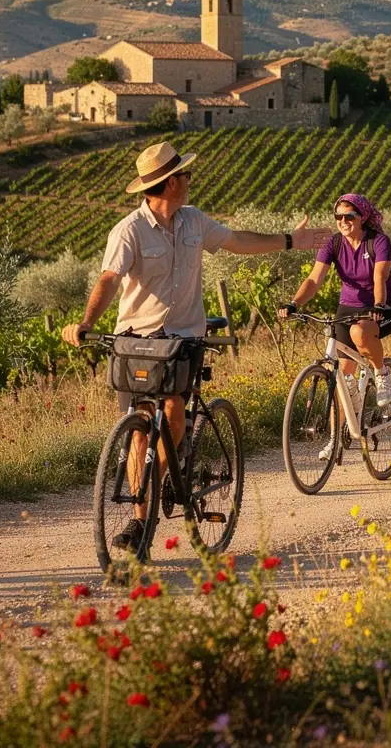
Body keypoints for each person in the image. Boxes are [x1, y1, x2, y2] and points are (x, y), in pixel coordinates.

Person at [62, 140, 330, 552]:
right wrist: (85, 322)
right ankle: (140, 518)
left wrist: (290, 240)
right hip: (137, 342)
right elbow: (109, 280)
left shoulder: (194, 221)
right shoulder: (128, 231)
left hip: (184, 340)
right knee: (138, 430)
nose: (190, 180)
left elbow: (238, 241)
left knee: (172, 414)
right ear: (171, 183)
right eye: (185, 175)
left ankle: (166, 471)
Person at [279, 194, 391, 458]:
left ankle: (381, 373)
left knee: (360, 333)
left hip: (384, 305)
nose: (343, 221)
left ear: (363, 218)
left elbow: (380, 276)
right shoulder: (332, 243)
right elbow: (314, 280)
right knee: (341, 380)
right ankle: (339, 436)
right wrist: (294, 303)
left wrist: (378, 305)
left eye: (350, 216)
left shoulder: (378, 241)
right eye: (339, 217)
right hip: (348, 308)